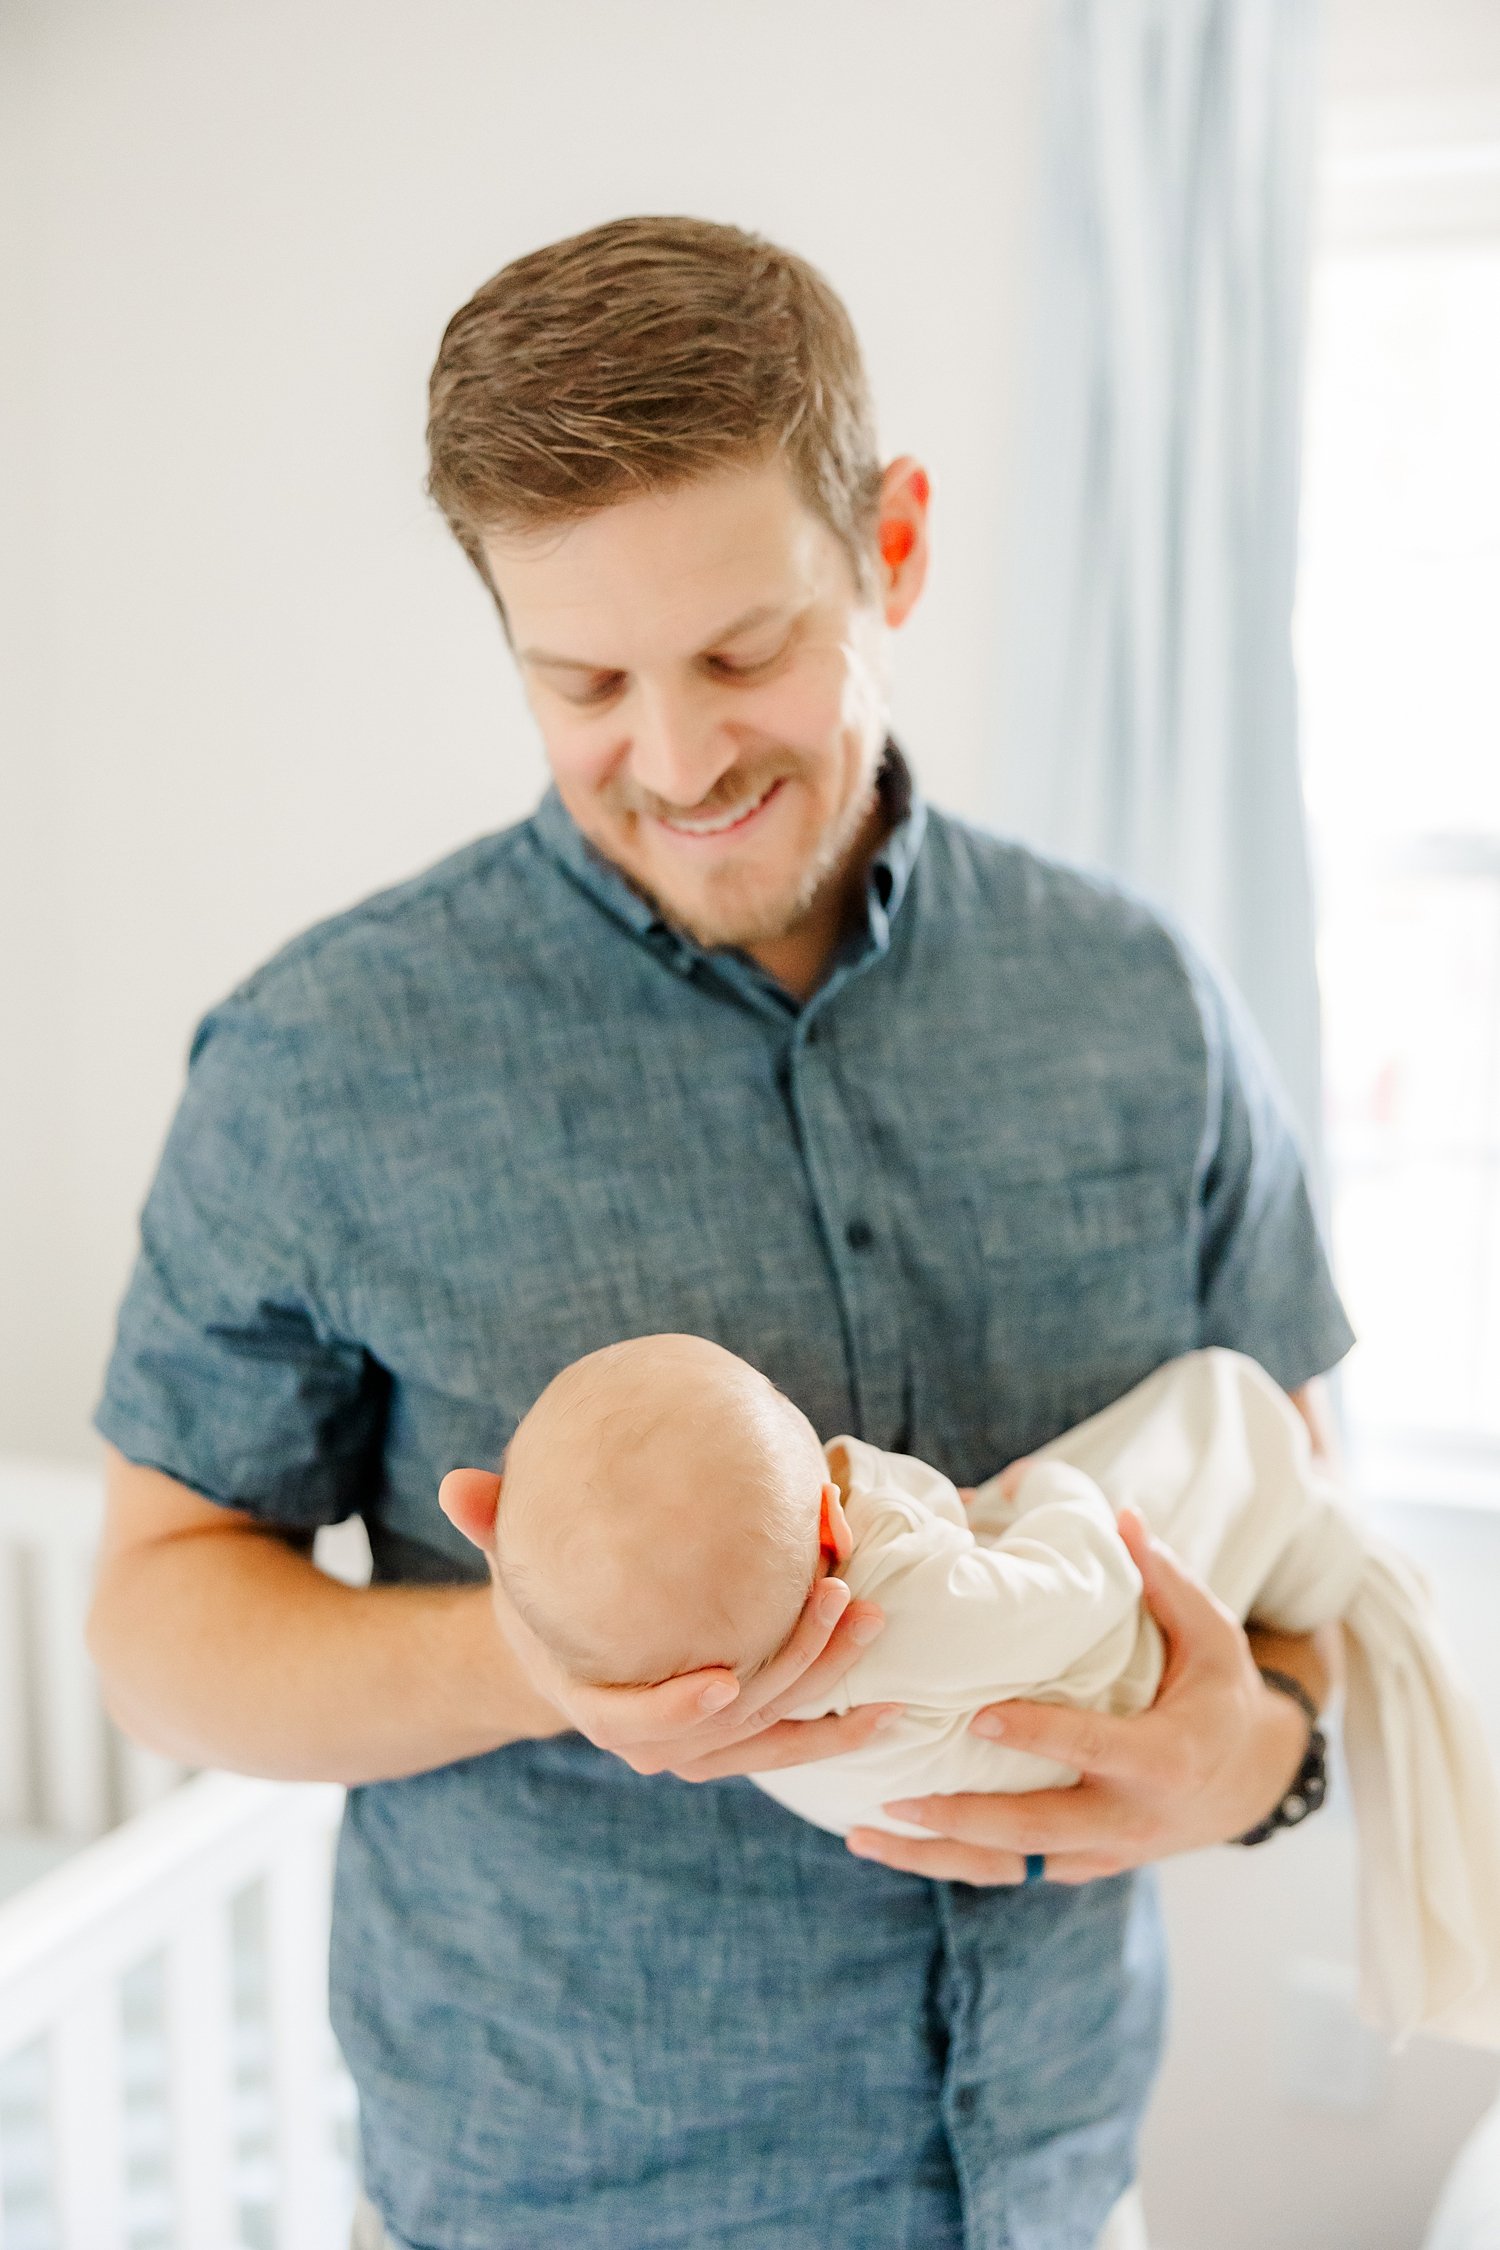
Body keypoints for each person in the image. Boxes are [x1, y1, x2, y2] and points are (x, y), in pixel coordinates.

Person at [87, 215, 1354, 2250]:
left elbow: (1296, 1517)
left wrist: (1257, 1761)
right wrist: (528, 1662)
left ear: (898, 550)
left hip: (1053, 2192)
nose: (674, 764)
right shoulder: (322, 1059)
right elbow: (153, 1610)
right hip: (557, 2205)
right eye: (581, 679)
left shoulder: (1143, 1009)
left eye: (743, 653)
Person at [450, 1331, 1500, 2052]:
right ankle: (1329, 1553)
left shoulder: (705, 1676)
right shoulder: (912, 1597)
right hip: (1090, 1661)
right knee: (1223, 1411)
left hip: (1063, 2107)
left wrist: (1260, 1754)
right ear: (830, 1525)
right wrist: (1047, 1495)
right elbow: (1089, 1587)